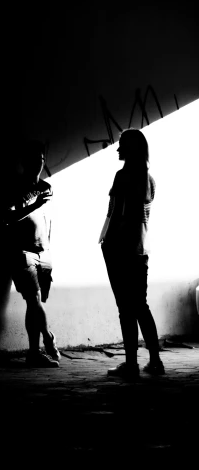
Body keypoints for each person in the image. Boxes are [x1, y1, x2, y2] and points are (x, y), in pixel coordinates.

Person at [0, 140, 60, 368]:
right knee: (33, 300)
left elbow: (47, 220)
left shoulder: (46, 187)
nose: (37, 163)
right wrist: (34, 205)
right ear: (24, 162)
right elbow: (6, 218)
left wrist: (48, 246)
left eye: (41, 159)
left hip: (42, 251)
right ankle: (41, 346)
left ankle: (41, 343)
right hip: (22, 251)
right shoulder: (16, 188)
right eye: (33, 159)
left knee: (36, 302)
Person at [99, 128, 165, 378]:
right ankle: (155, 361)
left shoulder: (122, 176)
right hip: (140, 250)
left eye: (122, 145)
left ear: (132, 149)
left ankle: (131, 364)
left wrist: (106, 241)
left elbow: (115, 214)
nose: (118, 149)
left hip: (119, 248)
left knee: (125, 308)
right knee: (140, 305)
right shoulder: (150, 180)